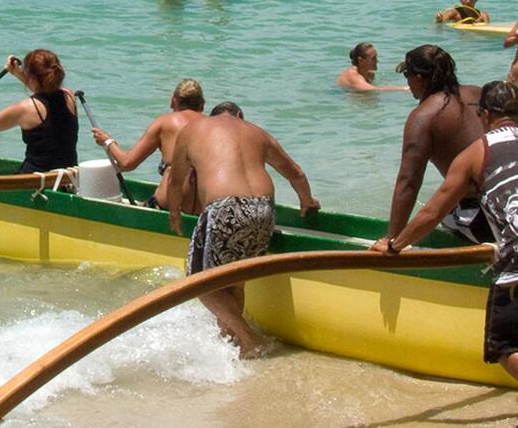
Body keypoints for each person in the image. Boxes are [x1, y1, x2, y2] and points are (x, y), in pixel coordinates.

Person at [378, 80, 518, 428]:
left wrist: (396, 244)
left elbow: (433, 210)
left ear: (484, 115)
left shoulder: (478, 153)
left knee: (505, 345)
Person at [164, 102, 318, 356]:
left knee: (198, 282)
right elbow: (296, 174)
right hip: (264, 209)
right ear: (239, 116)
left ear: (211, 116)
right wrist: (307, 202)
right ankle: (230, 338)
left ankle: (249, 339)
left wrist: (174, 214)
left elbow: (176, 179)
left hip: (226, 207)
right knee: (235, 279)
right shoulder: (256, 132)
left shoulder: (194, 129)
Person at [375, 44, 488, 243]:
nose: (408, 83)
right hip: (515, 200)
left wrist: (392, 239)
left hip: (482, 218)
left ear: (418, 78)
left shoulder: (424, 116)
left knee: (437, 215)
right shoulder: (479, 94)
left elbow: (409, 181)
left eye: (406, 75)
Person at [91, 77, 206, 209]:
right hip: (202, 212)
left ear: (173, 101)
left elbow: (127, 163)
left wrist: (107, 141)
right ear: (202, 104)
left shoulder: (165, 122)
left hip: (167, 206)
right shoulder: (213, 127)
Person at [338, 43, 410, 92]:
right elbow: (374, 89)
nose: (377, 61)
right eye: (373, 58)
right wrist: (404, 88)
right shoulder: (354, 77)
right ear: (361, 61)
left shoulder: (369, 74)